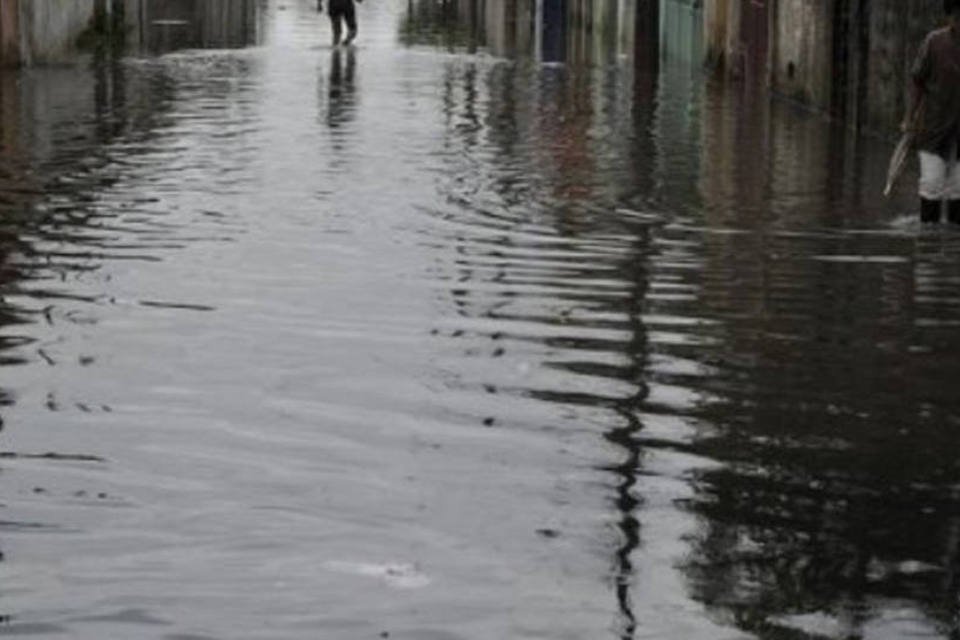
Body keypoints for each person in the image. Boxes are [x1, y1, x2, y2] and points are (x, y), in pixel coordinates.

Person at [904, 0, 960, 223]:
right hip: (933, 130)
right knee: (932, 187)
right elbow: (918, 81)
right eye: (957, 17)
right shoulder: (934, 42)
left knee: (958, 193)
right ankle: (929, 250)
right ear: (950, 18)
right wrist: (909, 118)